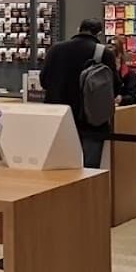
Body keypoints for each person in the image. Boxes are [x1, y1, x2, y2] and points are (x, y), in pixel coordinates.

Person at [41, 18, 111, 168]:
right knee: (88, 170)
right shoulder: (103, 53)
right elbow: (113, 89)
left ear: (79, 28)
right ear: (98, 33)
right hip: (90, 121)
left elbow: (44, 81)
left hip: (58, 118)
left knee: (58, 168)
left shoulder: (55, 49)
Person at [112, 39, 136, 105]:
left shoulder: (129, 74)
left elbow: (133, 97)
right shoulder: (105, 73)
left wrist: (122, 99)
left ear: (119, 56)